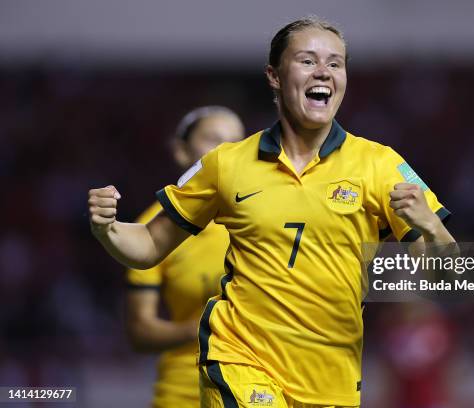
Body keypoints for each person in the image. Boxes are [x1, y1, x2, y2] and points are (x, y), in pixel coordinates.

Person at [89, 17, 455, 408]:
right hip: (239, 357)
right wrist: (107, 228)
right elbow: (148, 244)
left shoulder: (381, 164)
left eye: (335, 63)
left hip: (331, 378)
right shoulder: (225, 163)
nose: (324, 73)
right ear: (275, 76)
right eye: (307, 60)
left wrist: (431, 226)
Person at [124, 107, 244, 407]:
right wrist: (206, 324)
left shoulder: (266, 214)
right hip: (184, 394)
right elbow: (139, 332)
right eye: (213, 139)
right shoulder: (153, 228)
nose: (225, 151)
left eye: (236, 143)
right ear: (180, 151)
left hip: (263, 391)